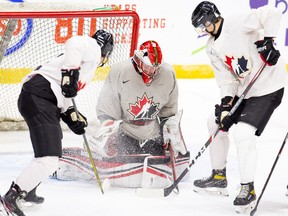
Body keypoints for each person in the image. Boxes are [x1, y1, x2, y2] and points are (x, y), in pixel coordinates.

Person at [0, 29, 114, 216]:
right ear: (106, 52)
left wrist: (72, 115)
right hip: (39, 97)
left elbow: (65, 93)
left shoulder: (83, 63)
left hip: (40, 97)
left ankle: (28, 190)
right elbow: (75, 42)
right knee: (48, 159)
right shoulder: (92, 48)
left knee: (50, 151)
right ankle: (10, 198)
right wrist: (70, 73)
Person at [191, 1, 287, 213]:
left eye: (202, 25)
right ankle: (218, 177)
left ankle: (247, 189)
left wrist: (269, 42)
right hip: (246, 90)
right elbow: (227, 79)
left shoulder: (237, 22)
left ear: (210, 20)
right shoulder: (211, 47)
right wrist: (226, 104)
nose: (202, 31)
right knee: (214, 123)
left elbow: (271, 13)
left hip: (269, 87)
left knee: (244, 133)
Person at [54, 40, 190, 188]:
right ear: (138, 60)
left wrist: (170, 132)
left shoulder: (168, 73)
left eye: (156, 68)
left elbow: (168, 113)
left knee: (163, 157)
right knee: (114, 156)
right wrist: (108, 130)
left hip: (152, 132)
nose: (153, 72)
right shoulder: (120, 70)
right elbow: (107, 109)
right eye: (148, 67)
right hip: (125, 131)